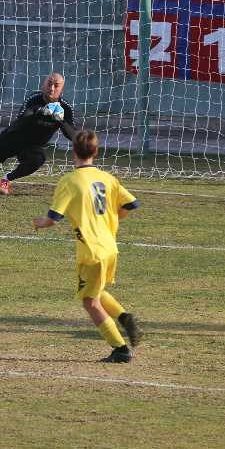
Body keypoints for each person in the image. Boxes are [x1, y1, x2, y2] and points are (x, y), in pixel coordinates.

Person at [31, 129, 143, 363]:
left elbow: (53, 218)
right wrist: (115, 214)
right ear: (96, 151)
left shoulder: (69, 181)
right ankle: (124, 318)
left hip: (91, 252)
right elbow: (132, 204)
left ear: (73, 151)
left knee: (89, 301)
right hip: (110, 248)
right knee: (97, 291)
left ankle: (120, 348)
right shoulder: (108, 179)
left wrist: (40, 223)